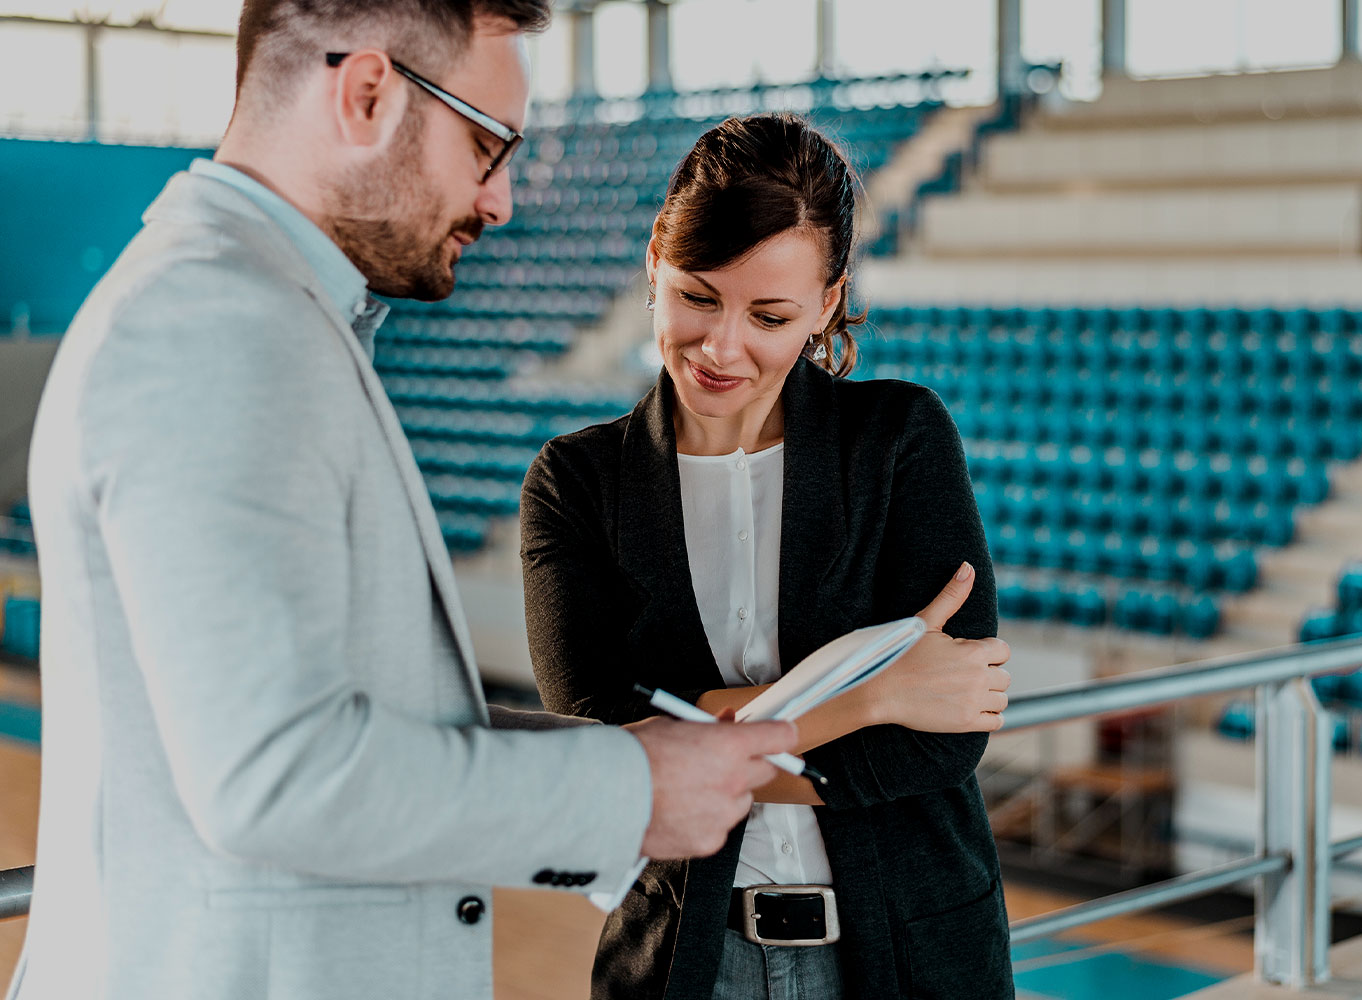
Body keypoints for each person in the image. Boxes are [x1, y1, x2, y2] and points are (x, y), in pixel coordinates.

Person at [9, 4, 798, 999]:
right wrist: (632, 795)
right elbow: (279, 777)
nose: (502, 198)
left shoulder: (266, 312)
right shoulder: (220, 327)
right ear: (368, 93)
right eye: (487, 145)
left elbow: (339, 714)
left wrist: (616, 754)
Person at [520, 113, 1016, 1000]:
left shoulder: (900, 439)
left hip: (911, 950)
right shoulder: (575, 481)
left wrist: (697, 741)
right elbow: (603, 749)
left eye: (771, 314)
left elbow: (941, 745)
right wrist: (873, 695)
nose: (722, 347)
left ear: (827, 303)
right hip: (689, 960)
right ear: (653, 266)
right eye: (698, 297)